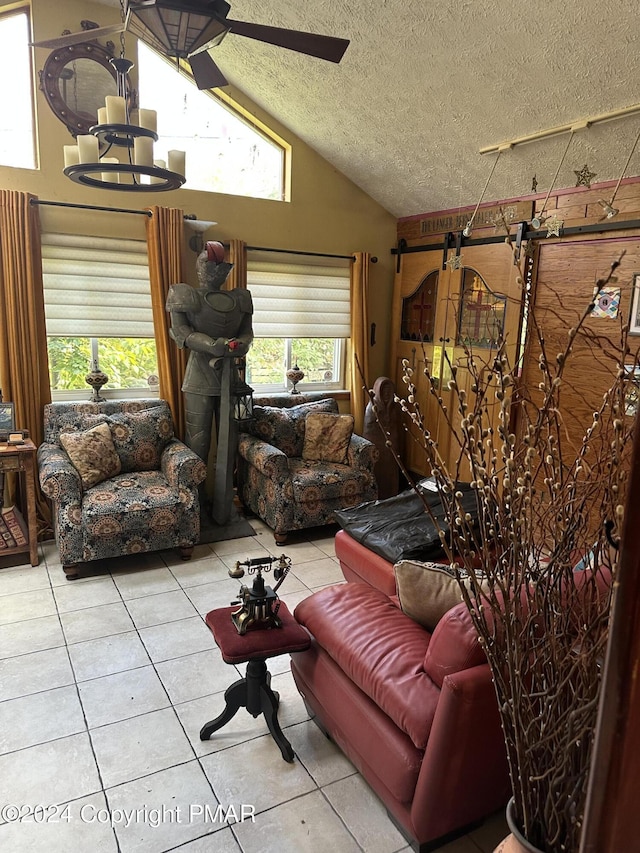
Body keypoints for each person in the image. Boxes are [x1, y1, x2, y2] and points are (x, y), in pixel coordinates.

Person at [166, 241, 253, 522]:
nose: (214, 271)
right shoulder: (185, 294)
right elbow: (180, 332)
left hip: (230, 377)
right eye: (209, 264)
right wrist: (212, 343)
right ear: (200, 265)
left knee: (228, 445)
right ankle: (195, 507)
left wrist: (238, 345)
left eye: (220, 267)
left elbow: (247, 334)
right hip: (199, 377)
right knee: (198, 444)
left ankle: (223, 507)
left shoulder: (239, 298)